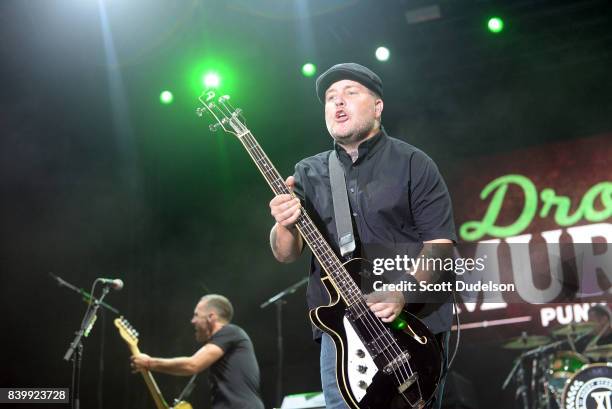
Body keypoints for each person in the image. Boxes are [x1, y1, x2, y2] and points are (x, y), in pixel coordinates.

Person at [268, 62, 456, 409]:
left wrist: (402, 292)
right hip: (342, 331)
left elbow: (441, 246)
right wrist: (283, 223)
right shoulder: (308, 172)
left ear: (378, 106)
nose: (338, 102)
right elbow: (286, 253)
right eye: (330, 97)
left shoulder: (413, 162)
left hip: (412, 326)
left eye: (350, 93)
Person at [130, 294, 265, 409]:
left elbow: (192, 365)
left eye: (196, 315)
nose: (192, 321)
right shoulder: (220, 352)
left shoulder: (231, 332)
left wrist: (149, 362)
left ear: (211, 317)